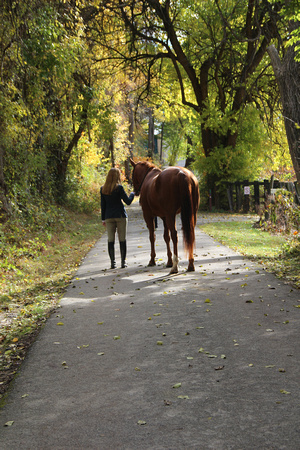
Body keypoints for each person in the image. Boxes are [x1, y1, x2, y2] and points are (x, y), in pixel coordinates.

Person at [100, 167, 135, 269]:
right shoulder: (119, 188)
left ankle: (112, 263)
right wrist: (132, 194)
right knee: (122, 239)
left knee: (110, 240)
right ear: (117, 176)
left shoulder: (103, 189)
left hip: (108, 217)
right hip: (120, 216)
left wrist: (103, 219)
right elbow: (128, 202)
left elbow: (103, 205)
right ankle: (123, 262)